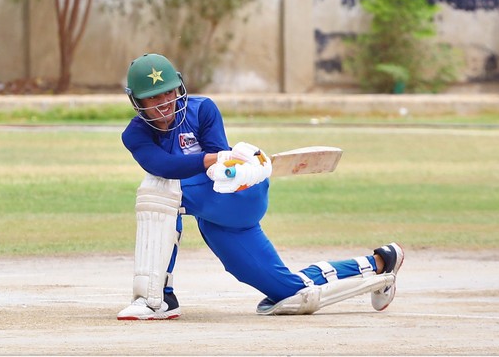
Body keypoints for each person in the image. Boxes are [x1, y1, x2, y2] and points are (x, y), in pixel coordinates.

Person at [116, 53, 404, 319]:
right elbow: (163, 166)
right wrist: (216, 158)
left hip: (238, 194)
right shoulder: (135, 134)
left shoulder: (202, 109)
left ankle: (157, 299)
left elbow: (220, 169)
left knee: (157, 190)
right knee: (291, 293)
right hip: (214, 218)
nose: (164, 102)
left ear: (179, 87)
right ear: (137, 101)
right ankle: (379, 263)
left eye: (168, 92)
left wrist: (233, 160)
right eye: (153, 97)